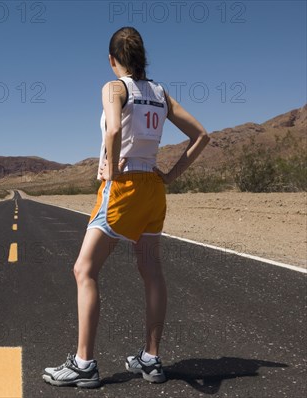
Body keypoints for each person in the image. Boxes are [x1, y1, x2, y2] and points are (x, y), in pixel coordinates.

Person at [42, 26, 210, 388]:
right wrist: (170, 177)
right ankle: (151, 359)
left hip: (123, 188)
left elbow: (114, 130)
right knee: (151, 271)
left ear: (112, 59)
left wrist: (114, 170)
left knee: (84, 270)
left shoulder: (113, 87)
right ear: (143, 57)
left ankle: (84, 363)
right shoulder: (160, 93)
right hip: (152, 188)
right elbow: (202, 135)